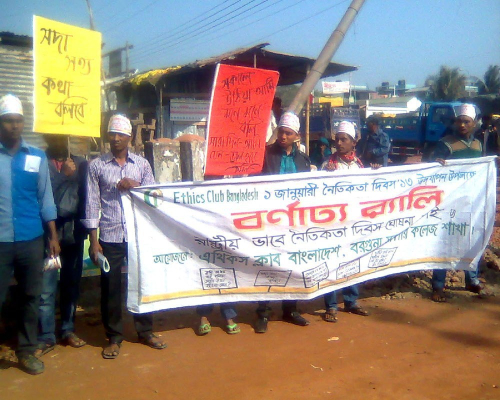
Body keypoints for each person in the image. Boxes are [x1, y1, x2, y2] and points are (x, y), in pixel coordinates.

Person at [82, 114, 167, 359]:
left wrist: (136, 185)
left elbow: (154, 196)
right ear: (107, 136)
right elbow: (91, 204)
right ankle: (114, 337)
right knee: (111, 287)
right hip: (110, 234)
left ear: (130, 137)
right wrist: (94, 241)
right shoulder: (96, 166)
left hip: (138, 233)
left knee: (142, 282)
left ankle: (145, 330)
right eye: (112, 134)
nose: (116, 139)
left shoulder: (141, 165)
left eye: (121, 134)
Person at [0, 94, 60, 375]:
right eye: (8, 121)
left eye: (18, 121)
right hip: (0, 241)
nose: (14, 126)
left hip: (31, 239)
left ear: (24, 123)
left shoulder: (36, 156)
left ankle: (26, 351)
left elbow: (45, 197)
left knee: (29, 297)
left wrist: (53, 235)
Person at [255, 111, 311, 333]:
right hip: (270, 222)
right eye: (281, 132)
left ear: (296, 135)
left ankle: (290, 309)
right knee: (268, 265)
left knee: (293, 264)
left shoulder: (303, 160)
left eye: (288, 133)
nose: (283, 136)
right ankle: (263, 312)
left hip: (295, 223)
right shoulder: (265, 155)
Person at [36, 135, 88, 357]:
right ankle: (46, 336)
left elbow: (88, 198)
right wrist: (63, 176)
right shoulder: (39, 163)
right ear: (47, 137)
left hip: (74, 235)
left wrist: (86, 231)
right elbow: (42, 197)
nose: (58, 140)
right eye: (52, 136)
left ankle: (67, 329)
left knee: (71, 284)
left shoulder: (81, 163)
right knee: (46, 289)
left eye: (61, 135)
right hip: (49, 236)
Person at [430, 103, 483, 302]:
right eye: (459, 121)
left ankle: (472, 279)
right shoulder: (445, 144)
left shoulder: (478, 145)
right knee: (445, 242)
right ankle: (437, 286)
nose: (462, 124)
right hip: (449, 202)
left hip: (472, 201)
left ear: (474, 123)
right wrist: (437, 163)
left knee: (472, 239)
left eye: (466, 121)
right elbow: (431, 168)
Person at [321, 121, 373, 322]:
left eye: (344, 139)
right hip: (332, 222)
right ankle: (331, 305)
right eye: (338, 139)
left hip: (353, 222)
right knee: (332, 262)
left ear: (354, 143)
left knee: (353, 260)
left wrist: (376, 172)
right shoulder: (328, 165)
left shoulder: (360, 166)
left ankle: (351, 301)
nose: (340, 143)